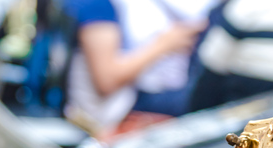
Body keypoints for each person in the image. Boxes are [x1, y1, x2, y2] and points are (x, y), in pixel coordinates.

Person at [63, 0, 218, 134]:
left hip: (132, 101)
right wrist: (164, 44)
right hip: (113, 114)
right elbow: (107, 79)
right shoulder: (96, 5)